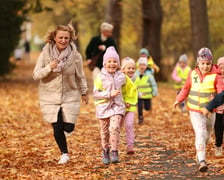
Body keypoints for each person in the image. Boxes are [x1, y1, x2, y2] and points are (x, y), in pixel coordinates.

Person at [33, 23, 89, 164]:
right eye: (60, 38)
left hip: (70, 94)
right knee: (57, 126)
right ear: (54, 38)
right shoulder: (45, 53)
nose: (63, 40)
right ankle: (64, 153)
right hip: (49, 94)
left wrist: (84, 92)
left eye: (66, 38)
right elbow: (36, 75)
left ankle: (67, 129)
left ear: (70, 39)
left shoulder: (76, 56)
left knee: (69, 127)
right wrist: (49, 67)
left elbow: (80, 75)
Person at [173, 47, 223, 172]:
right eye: (203, 63)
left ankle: (200, 151)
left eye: (208, 63)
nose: (205, 66)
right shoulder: (193, 74)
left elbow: (221, 90)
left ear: (211, 63)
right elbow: (186, 88)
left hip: (211, 112)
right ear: (198, 63)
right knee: (200, 133)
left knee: (207, 134)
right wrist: (179, 99)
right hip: (195, 110)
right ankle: (202, 160)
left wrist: (215, 98)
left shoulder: (216, 76)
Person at [93, 46, 127, 165]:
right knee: (104, 132)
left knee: (114, 127)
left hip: (117, 106)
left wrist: (129, 101)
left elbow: (130, 89)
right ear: (104, 63)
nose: (112, 64)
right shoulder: (100, 77)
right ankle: (105, 150)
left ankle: (114, 151)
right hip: (103, 107)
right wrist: (109, 94)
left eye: (114, 61)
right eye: (109, 61)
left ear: (118, 64)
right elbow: (95, 93)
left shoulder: (122, 76)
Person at [202, 57, 224, 157]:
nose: (223, 70)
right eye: (221, 68)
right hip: (218, 110)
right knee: (218, 130)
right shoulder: (215, 78)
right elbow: (212, 91)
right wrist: (212, 98)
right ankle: (218, 147)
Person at [121, 57, 138, 154]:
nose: (131, 70)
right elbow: (118, 92)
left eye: (133, 68)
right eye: (129, 68)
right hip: (121, 106)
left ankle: (130, 146)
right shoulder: (121, 79)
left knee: (129, 124)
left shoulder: (136, 79)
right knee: (117, 127)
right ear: (123, 69)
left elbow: (135, 91)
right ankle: (114, 146)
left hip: (131, 106)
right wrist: (123, 102)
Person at [135, 57, 158, 124]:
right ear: (138, 65)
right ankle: (140, 118)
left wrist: (154, 92)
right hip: (139, 95)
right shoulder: (135, 74)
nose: (142, 66)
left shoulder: (149, 75)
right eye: (140, 65)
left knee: (147, 108)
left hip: (147, 95)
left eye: (144, 65)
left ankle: (147, 107)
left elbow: (153, 84)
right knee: (139, 106)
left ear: (146, 66)